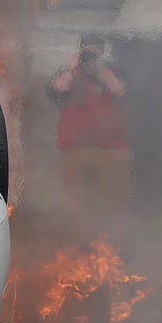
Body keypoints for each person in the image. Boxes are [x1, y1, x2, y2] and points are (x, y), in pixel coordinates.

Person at [46, 32, 132, 204]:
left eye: (95, 49)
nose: (90, 54)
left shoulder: (112, 72)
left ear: (102, 50)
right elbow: (57, 88)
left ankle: (112, 230)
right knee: (75, 203)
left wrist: (101, 68)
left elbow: (119, 91)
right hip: (74, 150)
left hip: (111, 150)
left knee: (114, 201)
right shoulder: (68, 73)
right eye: (86, 49)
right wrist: (72, 67)